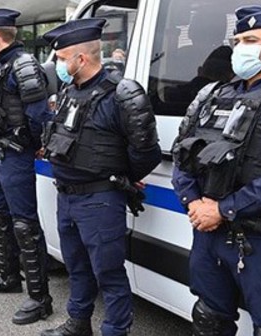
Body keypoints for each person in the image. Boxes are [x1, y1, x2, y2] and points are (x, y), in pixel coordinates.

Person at [40, 18, 162, 336]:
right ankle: (78, 323)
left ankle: (115, 330)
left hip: (99, 199)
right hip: (67, 196)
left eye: (62, 58)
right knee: (76, 267)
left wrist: (119, 177)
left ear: (81, 59)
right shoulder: (69, 91)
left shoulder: (119, 95)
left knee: (108, 273)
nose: (59, 65)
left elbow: (146, 151)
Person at [171, 5, 261, 335]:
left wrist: (224, 209)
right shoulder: (212, 95)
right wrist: (194, 203)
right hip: (209, 234)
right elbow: (182, 155)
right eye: (238, 40)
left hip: (259, 238)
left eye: (251, 39)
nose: (240, 48)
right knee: (209, 317)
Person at [0, 8, 54, 325]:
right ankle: (9, 277)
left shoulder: (22, 65)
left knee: (25, 224)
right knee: (1, 216)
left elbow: (38, 116)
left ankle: (40, 299)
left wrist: (32, 145)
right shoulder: (2, 65)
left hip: (16, 153)